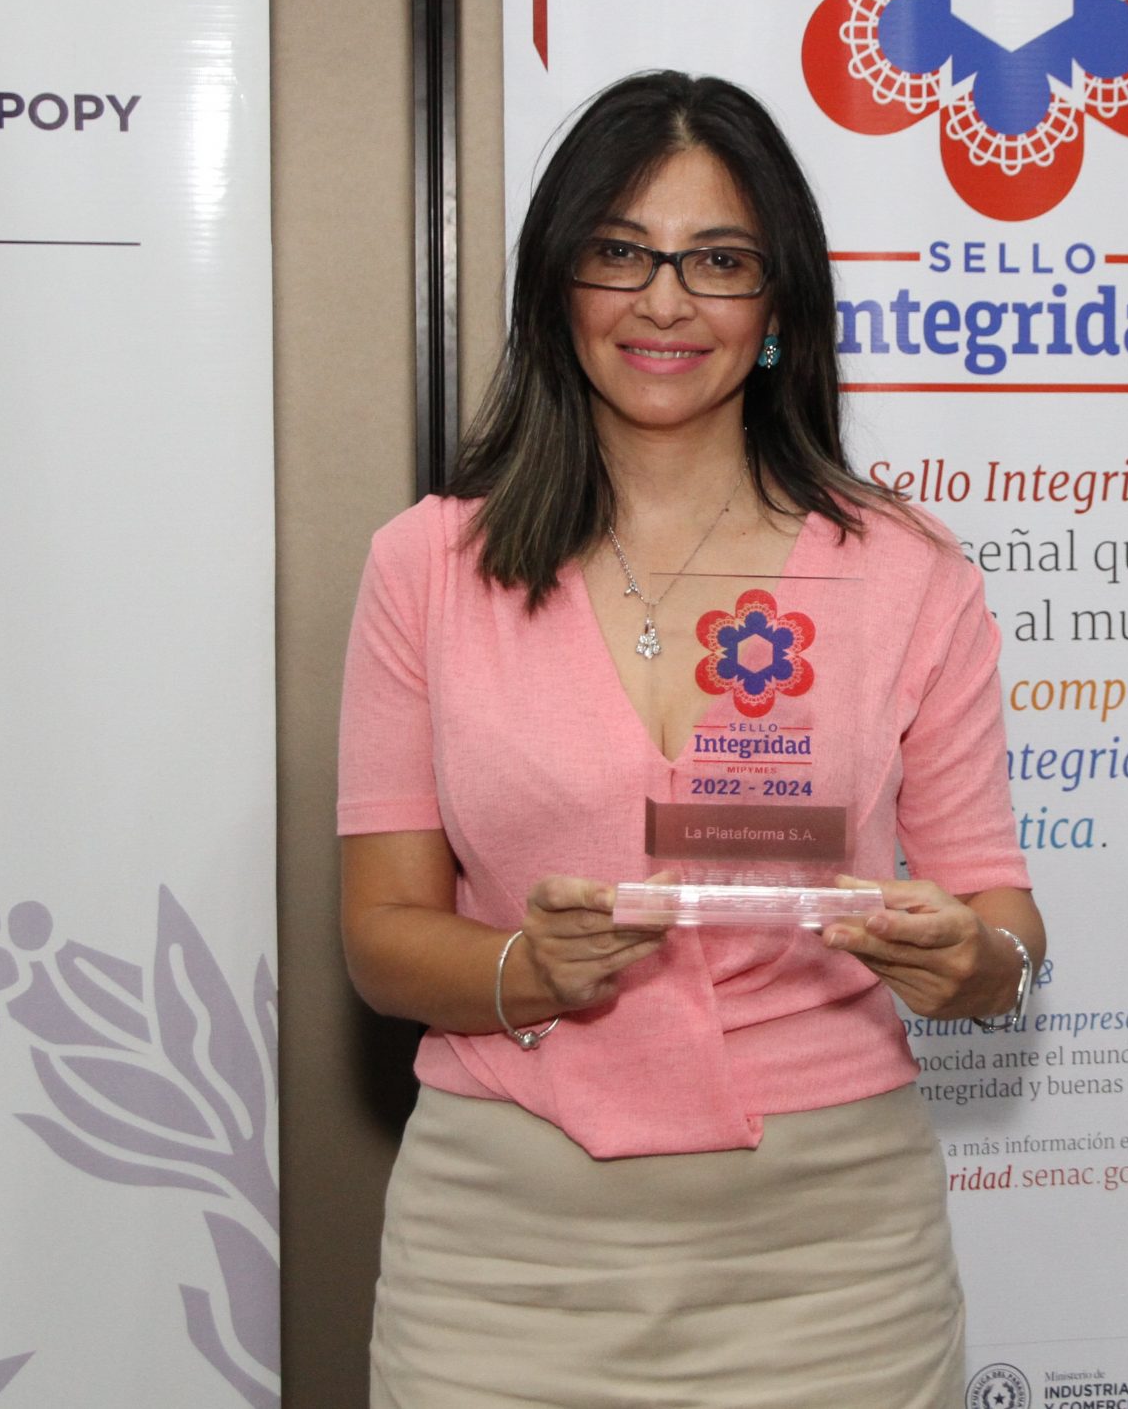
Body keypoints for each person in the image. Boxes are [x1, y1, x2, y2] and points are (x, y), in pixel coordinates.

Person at [336, 70, 1045, 1408]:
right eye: (621, 254)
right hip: (504, 1261)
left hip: (832, 1266)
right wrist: (529, 968)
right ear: (557, 291)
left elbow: (1001, 921)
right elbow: (381, 937)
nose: (665, 302)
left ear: (779, 307)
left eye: (718, 261)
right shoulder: (427, 566)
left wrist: (975, 965)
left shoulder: (907, 573)